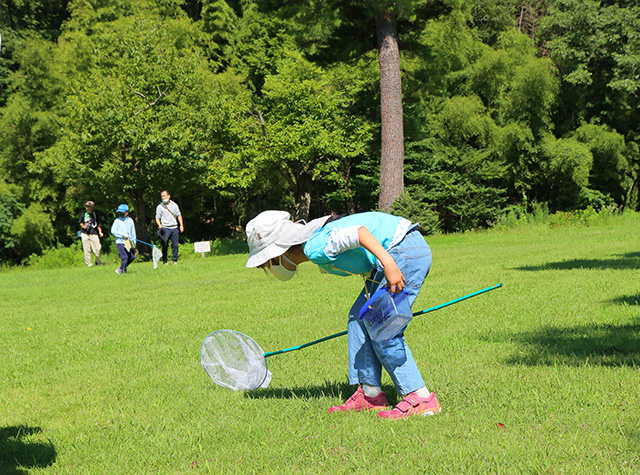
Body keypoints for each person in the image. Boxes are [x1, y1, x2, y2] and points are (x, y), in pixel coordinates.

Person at [245, 210, 440, 420]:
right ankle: (370, 394)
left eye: (265, 264)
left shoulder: (314, 247)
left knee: (384, 328)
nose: (268, 269)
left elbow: (359, 233)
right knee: (358, 317)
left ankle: (421, 398)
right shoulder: (315, 244)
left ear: (276, 254)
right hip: (397, 252)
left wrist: (389, 263)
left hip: (403, 252)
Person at [155, 190, 183, 265]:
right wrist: (159, 225)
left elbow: (179, 215)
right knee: (164, 244)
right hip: (165, 228)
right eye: (162, 196)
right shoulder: (160, 207)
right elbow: (157, 218)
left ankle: (174, 260)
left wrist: (181, 225)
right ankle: (165, 261)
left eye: (164, 196)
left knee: (175, 245)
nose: (163, 197)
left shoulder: (174, 205)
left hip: (174, 228)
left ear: (169, 196)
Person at [111, 204, 136, 275]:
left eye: (122, 212)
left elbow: (133, 232)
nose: (121, 214)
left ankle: (121, 269)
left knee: (131, 257)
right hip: (120, 242)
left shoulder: (130, 221)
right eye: (120, 212)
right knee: (125, 257)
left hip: (128, 242)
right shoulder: (117, 221)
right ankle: (123, 270)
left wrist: (133, 242)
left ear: (127, 212)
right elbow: (113, 231)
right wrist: (122, 236)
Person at [78, 201, 104, 267]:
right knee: (87, 249)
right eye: (86, 206)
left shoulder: (95, 215)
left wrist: (100, 232)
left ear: (92, 207)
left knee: (98, 248)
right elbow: (80, 222)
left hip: (94, 232)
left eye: (88, 206)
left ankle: (97, 260)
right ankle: (89, 264)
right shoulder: (83, 214)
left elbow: (99, 224)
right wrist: (83, 226)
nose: (87, 208)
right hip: (85, 233)